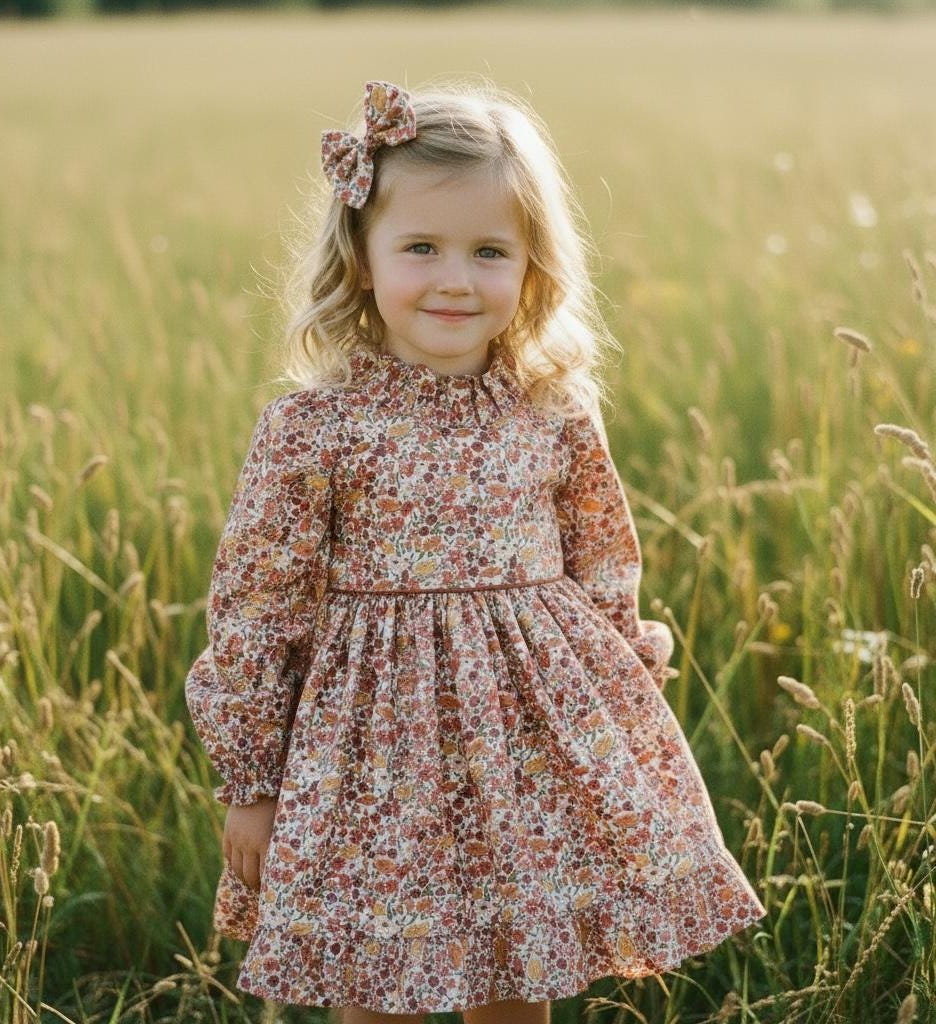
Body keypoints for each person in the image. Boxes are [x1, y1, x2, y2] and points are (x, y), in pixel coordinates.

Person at [184, 78, 767, 1023]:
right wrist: (251, 781)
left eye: (489, 251)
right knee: (377, 981)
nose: (455, 279)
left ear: (532, 269)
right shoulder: (315, 429)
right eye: (421, 247)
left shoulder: (553, 413)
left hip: (529, 751)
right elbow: (258, 606)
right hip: (375, 760)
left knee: (514, 972)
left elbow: (603, 562)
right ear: (361, 259)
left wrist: (623, 689)